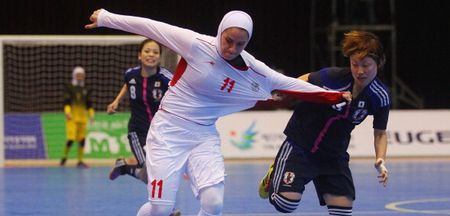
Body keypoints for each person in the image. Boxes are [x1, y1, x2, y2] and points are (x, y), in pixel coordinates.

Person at [85, 9, 351, 216]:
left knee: (213, 204)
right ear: (220, 31)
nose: (232, 48)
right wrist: (107, 18)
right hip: (168, 131)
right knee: (161, 208)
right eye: (228, 40)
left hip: (203, 135)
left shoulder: (254, 68)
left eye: (240, 44)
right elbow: (152, 26)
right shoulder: (196, 44)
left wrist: (336, 96)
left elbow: (291, 85)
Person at [258, 30, 390, 216]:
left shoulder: (380, 95)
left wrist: (381, 159)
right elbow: (307, 79)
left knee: (342, 212)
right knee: (285, 204)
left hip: (333, 155)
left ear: (379, 62)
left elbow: (380, 132)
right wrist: (287, 90)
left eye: (366, 65)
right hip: (301, 146)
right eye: (355, 64)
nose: (360, 71)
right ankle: (274, 176)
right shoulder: (333, 77)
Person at [107, 38, 172, 183]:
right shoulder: (131, 74)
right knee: (152, 171)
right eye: (147, 51)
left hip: (160, 132)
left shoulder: (165, 78)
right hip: (138, 132)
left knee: (150, 174)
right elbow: (127, 84)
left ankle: (124, 168)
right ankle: (169, 207)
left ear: (159, 57)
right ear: (139, 55)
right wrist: (116, 101)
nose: (151, 55)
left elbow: (181, 92)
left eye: (155, 52)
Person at [60, 66, 95, 168]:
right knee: (71, 139)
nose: (79, 77)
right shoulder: (69, 87)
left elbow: (89, 105)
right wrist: (67, 112)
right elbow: (66, 102)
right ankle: (64, 157)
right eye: (77, 75)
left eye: (81, 75)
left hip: (82, 119)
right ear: (74, 76)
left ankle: (80, 161)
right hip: (72, 118)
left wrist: (91, 115)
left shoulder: (86, 89)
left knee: (82, 140)